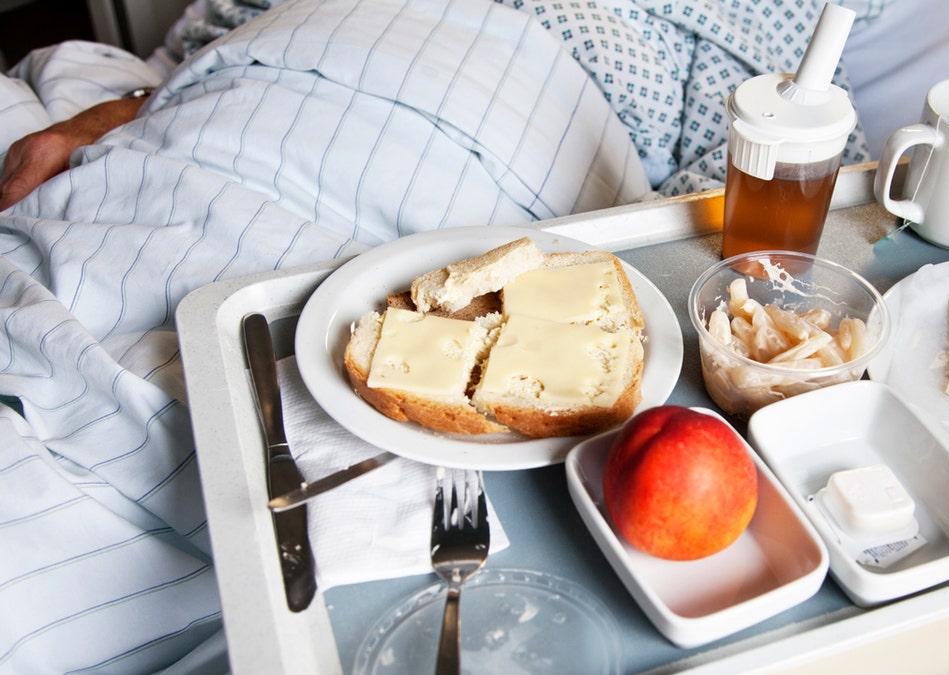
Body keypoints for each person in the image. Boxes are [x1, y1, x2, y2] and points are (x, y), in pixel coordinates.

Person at [0, 0, 881, 671]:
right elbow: (225, 23)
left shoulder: (725, 27)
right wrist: (124, 107)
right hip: (269, 88)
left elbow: (746, 223)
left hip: (503, 136)